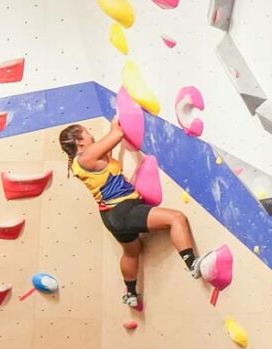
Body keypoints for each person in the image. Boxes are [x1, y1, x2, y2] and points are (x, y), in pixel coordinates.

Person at [57, 121, 200, 311]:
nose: (92, 135)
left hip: (110, 217)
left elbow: (109, 147)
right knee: (176, 218)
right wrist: (120, 115)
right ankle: (193, 264)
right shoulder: (86, 156)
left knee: (132, 252)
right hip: (124, 210)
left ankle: (131, 294)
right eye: (87, 133)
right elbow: (117, 134)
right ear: (79, 142)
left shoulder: (84, 161)